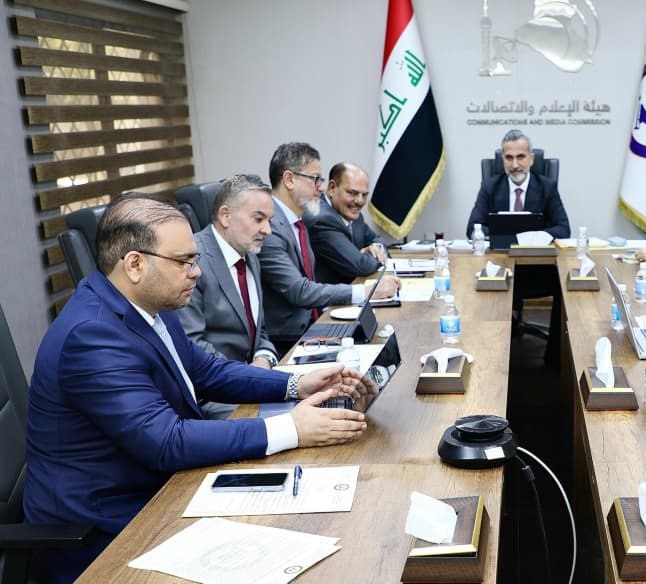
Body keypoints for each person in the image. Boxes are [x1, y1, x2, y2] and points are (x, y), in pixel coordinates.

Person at [24, 193, 373, 583]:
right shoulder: (92, 335)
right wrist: (292, 428)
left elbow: (208, 372)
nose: (197, 272)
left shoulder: (150, 305)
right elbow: (165, 441)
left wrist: (296, 383)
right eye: (184, 262)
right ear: (135, 264)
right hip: (107, 532)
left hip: (161, 491)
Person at [258, 143, 398, 352]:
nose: (321, 187)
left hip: (317, 322)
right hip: (289, 340)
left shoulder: (298, 220)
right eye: (315, 179)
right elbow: (299, 291)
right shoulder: (269, 227)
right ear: (289, 180)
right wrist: (366, 291)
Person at [176, 174, 280, 419]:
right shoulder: (193, 261)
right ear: (225, 216)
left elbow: (260, 332)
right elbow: (192, 347)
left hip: (248, 384)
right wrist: (250, 379)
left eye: (269, 220)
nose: (268, 230)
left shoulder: (250, 255)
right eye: (258, 219)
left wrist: (264, 359)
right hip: (212, 396)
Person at [466, 129, 570, 242]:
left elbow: (564, 229)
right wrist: (510, 237)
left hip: (534, 250)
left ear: (531, 159)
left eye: (520, 157)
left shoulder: (547, 187)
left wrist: (529, 237)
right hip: (500, 250)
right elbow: (472, 228)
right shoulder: (489, 187)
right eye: (509, 158)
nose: (515, 165)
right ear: (503, 160)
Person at [306, 162, 386, 284]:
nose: (360, 201)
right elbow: (360, 266)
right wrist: (371, 255)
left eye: (364, 195)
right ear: (332, 188)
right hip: (332, 294)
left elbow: (377, 239)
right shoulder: (322, 219)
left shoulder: (352, 214)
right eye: (352, 193)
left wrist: (376, 248)